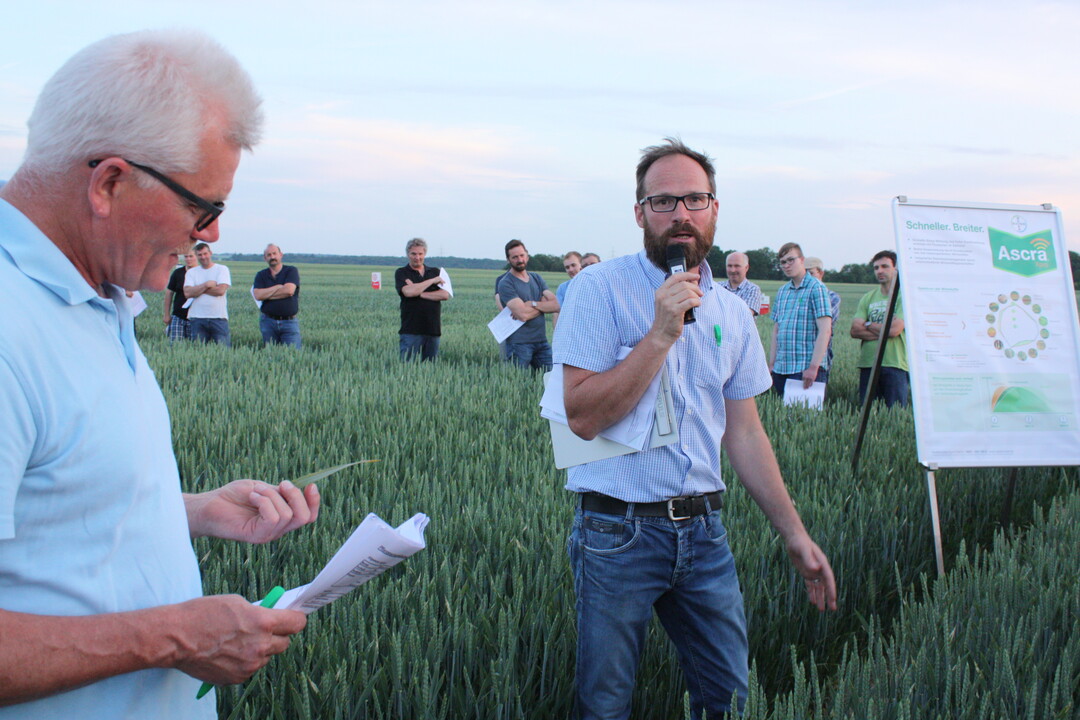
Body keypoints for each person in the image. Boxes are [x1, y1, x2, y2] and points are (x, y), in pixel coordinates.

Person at [0, 30, 320, 718]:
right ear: (110, 183)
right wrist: (172, 635)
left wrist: (196, 511)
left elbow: (51, 512)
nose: (209, 236)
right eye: (204, 208)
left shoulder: (99, 295)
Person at [553, 138, 836, 719]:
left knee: (728, 698)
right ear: (640, 214)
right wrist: (660, 333)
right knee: (604, 706)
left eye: (695, 199)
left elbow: (745, 433)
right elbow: (581, 416)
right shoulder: (596, 290)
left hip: (705, 533)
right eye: (663, 201)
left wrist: (794, 533)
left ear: (714, 209)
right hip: (617, 531)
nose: (681, 213)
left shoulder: (732, 312)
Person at [769, 242, 832, 397]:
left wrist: (813, 367)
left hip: (805, 369)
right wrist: (772, 364)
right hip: (781, 368)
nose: (787, 265)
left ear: (802, 260)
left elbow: (825, 330)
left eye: (791, 260)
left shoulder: (816, 288)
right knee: (782, 412)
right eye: (783, 262)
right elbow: (776, 330)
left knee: (804, 412)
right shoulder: (782, 291)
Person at [850, 250, 908, 407]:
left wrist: (868, 324)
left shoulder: (903, 297)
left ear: (896, 269)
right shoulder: (868, 297)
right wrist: (885, 331)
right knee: (868, 412)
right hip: (869, 363)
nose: (880, 271)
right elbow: (855, 330)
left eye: (885, 266)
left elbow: (894, 330)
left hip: (895, 364)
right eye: (876, 268)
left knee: (894, 413)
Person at [497, 239, 558, 370]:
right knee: (517, 379)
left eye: (522, 255)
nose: (520, 260)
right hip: (518, 344)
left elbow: (556, 305)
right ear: (508, 260)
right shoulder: (506, 283)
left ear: (527, 256)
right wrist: (543, 305)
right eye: (515, 257)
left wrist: (532, 304)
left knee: (551, 377)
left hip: (541, 341)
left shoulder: (536, 278)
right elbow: (522, 315)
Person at [395, 237, 449, 361]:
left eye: (420, 254)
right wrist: (432, 281)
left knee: (430, 368)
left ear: (425, 254)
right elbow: (408, 292)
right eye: (413, 254)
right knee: (407, 367)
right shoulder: (402, 272)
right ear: (408, 254)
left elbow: (445, 295)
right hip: (410, 331)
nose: (417, 257)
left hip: (433, 330)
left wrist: (418, 292)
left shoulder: (435, 272)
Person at [252, 243, 301, 348]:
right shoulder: (261, 275)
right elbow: (258, 295)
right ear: (265, 258)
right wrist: (277, 287)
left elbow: (289, 291)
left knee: (293, 354)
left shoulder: (291, 271)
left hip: (289, 322)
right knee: (271, 354)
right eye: (269, 255)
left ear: (281, 255)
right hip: (268, 322)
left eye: (274, 253)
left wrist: (267, 295)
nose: (272, 257)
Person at [184, 242, 232, 345]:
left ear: (210, 253)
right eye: (200, 255)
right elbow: (187, 293)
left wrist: (197, 289)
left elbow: (220, 291)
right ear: (196, 256)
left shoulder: (222, 269)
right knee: (198, 351)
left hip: (218, 318)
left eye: (205, 253)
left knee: (223, 350)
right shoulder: (191, 272)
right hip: (197, 318)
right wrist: (206, 285)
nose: (203, 257)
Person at [804, 256, 840, 369]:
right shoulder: (797, 295)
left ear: (821, 273)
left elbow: (823, 324)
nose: (807, 277)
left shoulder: (832, 297)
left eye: (811, 273)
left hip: (821, 356)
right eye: (804, 273)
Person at [164, 249, 198, 341]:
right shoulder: (178, 273)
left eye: (191, 256)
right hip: (178, 315)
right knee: (175, 343)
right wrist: (166, 314)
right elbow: (169, 293)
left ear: (197, 257)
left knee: (195, 344)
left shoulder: (202, 272)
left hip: (196, 316)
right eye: (186, 256)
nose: (188, 259)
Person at [720, 251, 763, 315]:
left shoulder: (753, 289)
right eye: (729, 266)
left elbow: (745, 315)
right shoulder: (717, 287)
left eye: (737, 266)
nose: (732, 270)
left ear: (746, 268)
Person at [553, 250, 582, 328]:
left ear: (581, 265)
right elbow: (557, 312)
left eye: (573, 265)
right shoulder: (563, 288)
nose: (571, 270)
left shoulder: (592, 285)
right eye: (567, 267)